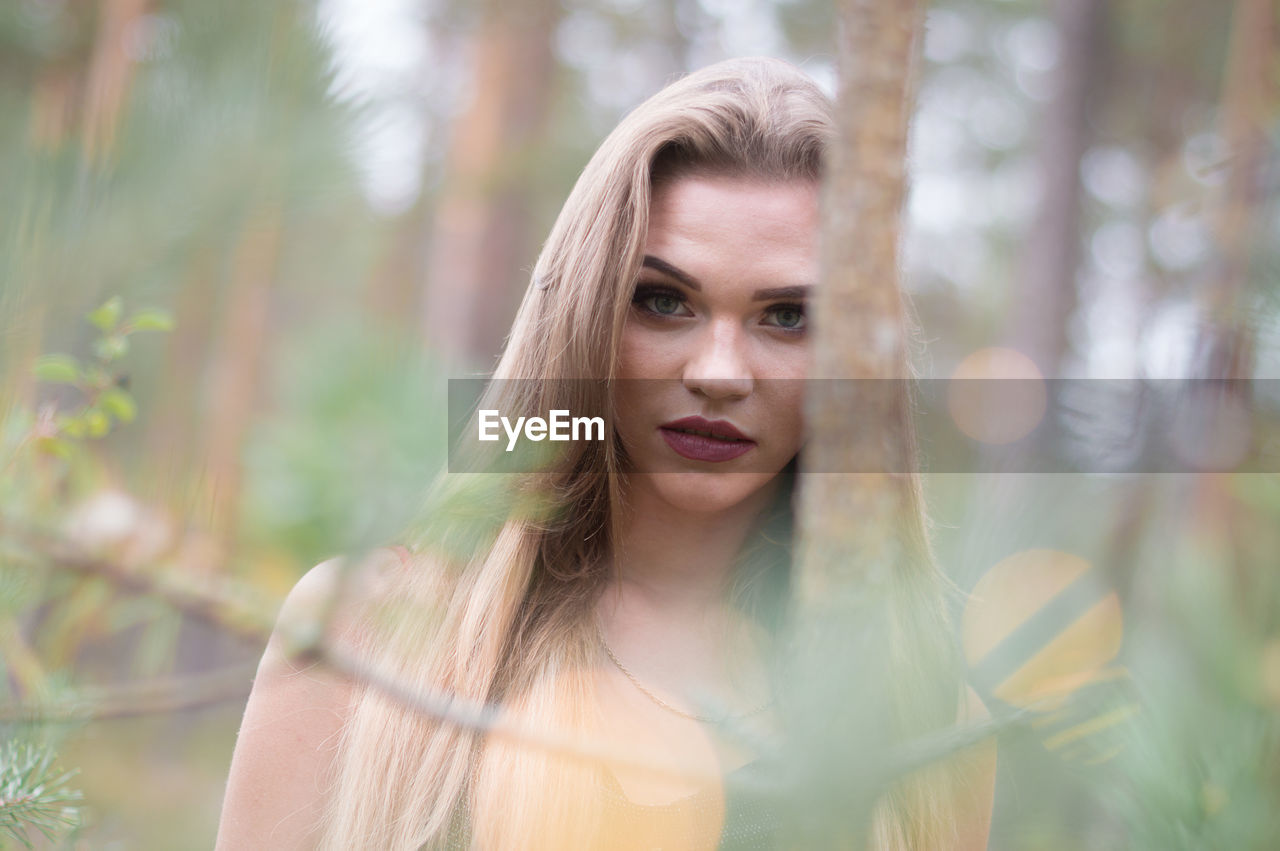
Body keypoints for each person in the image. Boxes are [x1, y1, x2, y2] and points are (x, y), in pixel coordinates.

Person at [215, 56, 996, 850]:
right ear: (585, 320)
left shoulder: (925, 712)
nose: (719, 372)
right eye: (664, 301)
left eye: (789, 317)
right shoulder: (366, 626)